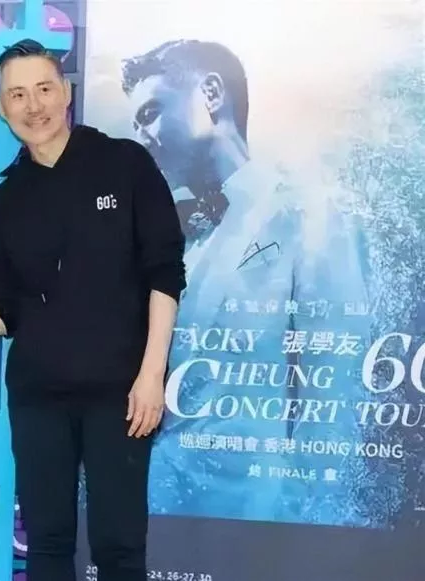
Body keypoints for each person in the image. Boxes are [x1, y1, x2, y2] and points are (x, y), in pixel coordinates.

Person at [0, 39, 186, 581]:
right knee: (47, 542)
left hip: (122, 393)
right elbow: (3, 312)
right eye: (17, 95)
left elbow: (165, 273)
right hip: (39, 396)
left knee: (118, 546)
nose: (33, 105)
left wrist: (151, 376)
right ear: (1, 108)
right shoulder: (6, 202)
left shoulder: (125, 163)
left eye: (44, 88)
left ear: (65, 93)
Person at [120, 39, 372, 525]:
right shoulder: (172, 240)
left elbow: (336, 400)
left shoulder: (312, 214)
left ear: (211, 93)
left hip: (259, 525)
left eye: (150, 113)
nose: (141, 138)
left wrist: (297, 524)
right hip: (157, 516)